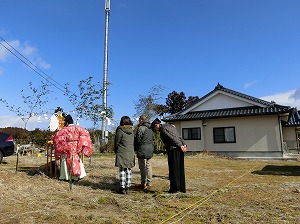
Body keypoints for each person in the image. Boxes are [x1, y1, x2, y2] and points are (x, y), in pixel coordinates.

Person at [53, 114, 93, 181]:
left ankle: (66, 176)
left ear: (67, 122)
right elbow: (86, 133)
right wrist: (80, 145)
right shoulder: (78, 128)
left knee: (65, 160)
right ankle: (77, 176)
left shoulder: (63, 130)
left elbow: (56, 137)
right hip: (76, 147)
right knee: (76, 160)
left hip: (66, 148)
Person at [151, 118, 187, 193]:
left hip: (173, 149)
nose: (156, 130)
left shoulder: (163, 129)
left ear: (156, 125)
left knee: (173, 169)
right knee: (180, 168)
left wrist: (180, 145)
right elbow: (178, 136)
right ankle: (181, 188)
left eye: (155, 129)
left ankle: (174, 188)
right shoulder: (170, 126)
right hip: (179, 149)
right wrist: (184, 144)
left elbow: (172, 138)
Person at [114, 116, 135, 194]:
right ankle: (128, 187)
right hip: (130, 152)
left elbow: (117, 142)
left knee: (122, 169)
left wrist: (115, 150)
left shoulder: (120, 130)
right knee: (128, 169)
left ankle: (122, 188)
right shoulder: (132, 131)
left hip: (122, 151)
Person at [134, 115, 153, 189]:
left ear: (141, 120)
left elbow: (138, 140)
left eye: (139, 120)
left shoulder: (141, 128)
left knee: (142, 166)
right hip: (150, 148)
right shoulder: (151, 128)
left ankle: (143, 182)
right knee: (149, 165)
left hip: (142, 148)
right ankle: (149, 182)